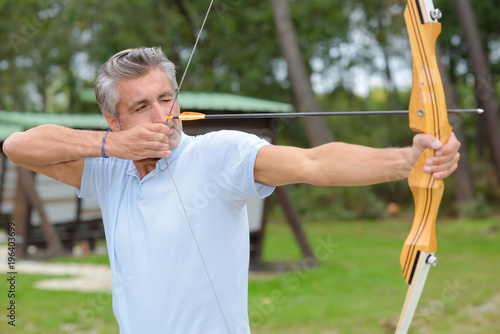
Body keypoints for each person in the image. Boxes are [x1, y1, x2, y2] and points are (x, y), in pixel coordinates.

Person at [3, 47, 460, 334]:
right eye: (140, 107)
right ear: (114, 120)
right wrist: (112, 147)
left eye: (167, 99)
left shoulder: (218, 154)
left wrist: (405, 160)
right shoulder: (110, 170)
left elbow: (312, 163)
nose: (162, 115)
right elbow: (18, 146)